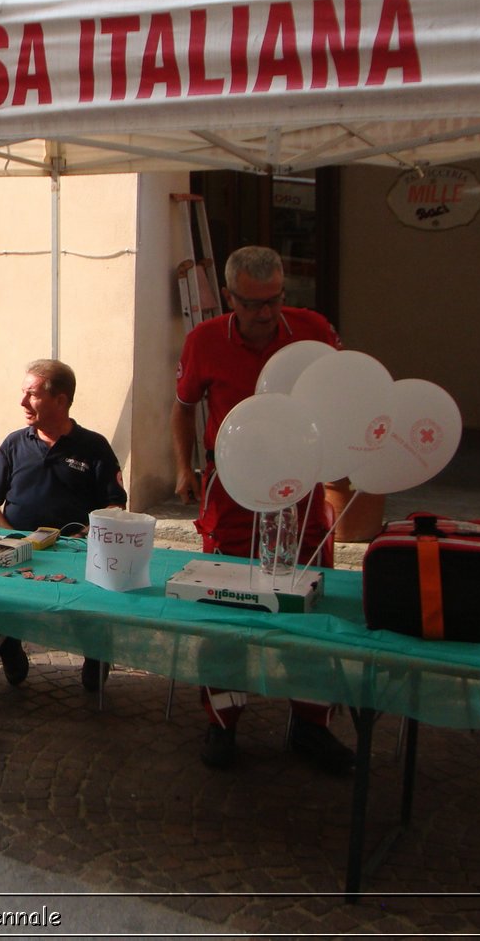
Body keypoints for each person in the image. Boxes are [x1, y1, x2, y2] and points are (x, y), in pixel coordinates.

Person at [172, 244, 354, 774]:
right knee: (224, 606)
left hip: (301, 492)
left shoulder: (314, 330)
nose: (266, 313)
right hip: (230, 493)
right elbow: (182, 409)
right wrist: (184, 468)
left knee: (311, 604)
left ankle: (312, 725)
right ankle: (222, 722)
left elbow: (345, 397)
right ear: (229, 298)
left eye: (274, 300)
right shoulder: (204, 340)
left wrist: (343, 457)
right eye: (253, 303)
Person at [0, 359, 126, 687]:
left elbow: (115, 505)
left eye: (31, 395)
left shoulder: (94, 447)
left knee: (98, 599)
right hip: (14, 548)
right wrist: (10, 536)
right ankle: (8, 648)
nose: (22, 403)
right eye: (23, 394)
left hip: (74, 553)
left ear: (61, 400)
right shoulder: (13, 444)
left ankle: (95, 652)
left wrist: (83, 538)